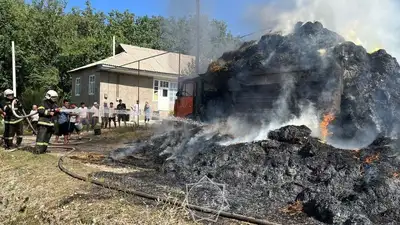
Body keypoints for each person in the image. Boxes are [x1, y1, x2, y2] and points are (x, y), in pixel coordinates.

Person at [35, 90, 59, 154]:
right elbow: (40, 110)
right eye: (53, 97)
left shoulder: (55, 105)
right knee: (41, 138)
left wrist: (57, 112)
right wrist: (48, 113)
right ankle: (38, 150)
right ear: (48, 96)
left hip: (50, 124)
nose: (54, 99)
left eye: (55, 97)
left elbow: (55, 114)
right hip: (43, 124)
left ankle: (43, 150)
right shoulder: (43, 103)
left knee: (46, 139)